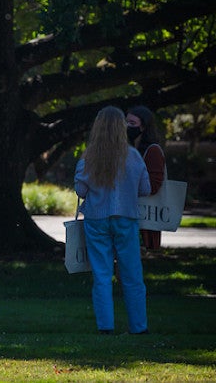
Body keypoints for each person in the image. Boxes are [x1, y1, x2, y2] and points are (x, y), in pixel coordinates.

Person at [74, 106, 151, 335]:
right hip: (126, 217)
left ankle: (105, 326)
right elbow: (145, 189)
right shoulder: (134, 156)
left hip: (97, 219)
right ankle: (139, 326)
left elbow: (80, 190)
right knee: (132, 275)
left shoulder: (89, 157)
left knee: (102, 275)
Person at [127, 106, 166, 251]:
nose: (127, 127)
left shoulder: (153, 150)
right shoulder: (130, 150)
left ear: (143, 127)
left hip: (144, 219)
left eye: (132, 123)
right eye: (126, 122)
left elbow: (154, 186)